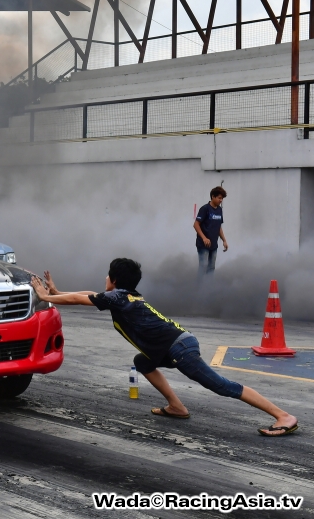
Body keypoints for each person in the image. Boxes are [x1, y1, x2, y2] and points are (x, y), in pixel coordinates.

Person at [29, 258, 299, 437]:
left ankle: (283, 415)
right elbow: (86, 295)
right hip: (173, 346)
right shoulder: (124, 296)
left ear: (112, 279)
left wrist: (45, 295)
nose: (104, 280)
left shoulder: (119, 299)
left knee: (222, 386)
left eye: (106, 276)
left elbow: (82, 298)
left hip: (179, 348)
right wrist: (55, 293)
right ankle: (176, 407)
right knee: (143, 362)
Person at [194, 186, 228, 277]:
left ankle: (208, 287)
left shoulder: (220, 210)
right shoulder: (205, 209)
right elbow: (196, 224)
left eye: (222, 199)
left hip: (214, 245)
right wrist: (204, 238)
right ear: (213, 196)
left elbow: (219, 227)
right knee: (203, 266)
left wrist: (224, 240)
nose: (221, 200)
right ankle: (199, 288)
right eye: (219, 198)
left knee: (211, 267)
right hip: (203, 245)